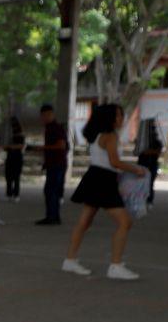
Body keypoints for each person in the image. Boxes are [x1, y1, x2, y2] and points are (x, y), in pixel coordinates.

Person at [61, 103, 146, 280]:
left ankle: (70, 260)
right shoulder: (110, 136)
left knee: (84, 222)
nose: (121, 118)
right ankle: (115, 265)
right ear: (110, 118)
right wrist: (136, 169)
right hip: (103, 180)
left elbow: (109, 162)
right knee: (124, 222)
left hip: (95, 176)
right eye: (118, 115)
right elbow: (115, 162)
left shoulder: (97, 134)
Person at [31, 104, 68, 225]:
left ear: (51, 114)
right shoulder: (49, 128)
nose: (45, 118)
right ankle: (53, 216)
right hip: (54, 163)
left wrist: (44, 148)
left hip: (57, 163)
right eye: (44, 116)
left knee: (51, 190)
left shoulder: (56, 128)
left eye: (48, 115)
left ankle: (52, 217)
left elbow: (61, 145)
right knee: (52, 191)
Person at [3, 115, 25, 202]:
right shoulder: (10, 135)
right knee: (9, 177)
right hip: (10, 157)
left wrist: (11, 147)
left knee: (16, 177)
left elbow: (21, 146)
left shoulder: (20, 135)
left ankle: (16, 194)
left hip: (16, 158)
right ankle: (9, 194)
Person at [137, 131, 162, 206]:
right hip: (142, 164)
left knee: (150, 183)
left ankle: (149, 200)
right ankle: (141, 199)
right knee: (140, 183)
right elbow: (137, 151)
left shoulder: (157, 142)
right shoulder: (141, 141)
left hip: (152, 164)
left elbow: (157, 152)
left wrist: (147, 151)